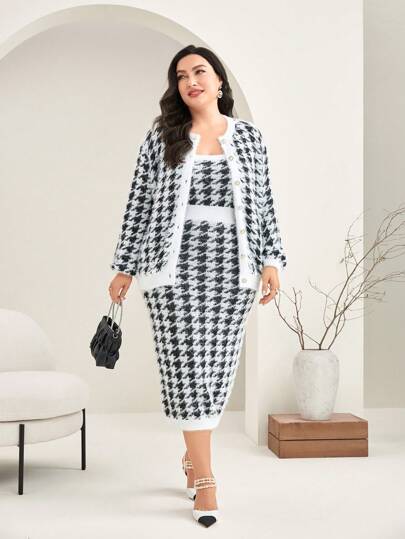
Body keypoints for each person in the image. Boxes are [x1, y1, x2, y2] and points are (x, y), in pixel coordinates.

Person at [108, 44, 287, 527]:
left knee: (216, 371)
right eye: (182, 75)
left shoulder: (249, 138)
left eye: (200, 71)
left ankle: (193, 454)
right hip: (172, 271)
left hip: (233, 270)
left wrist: (271, 260)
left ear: (219, 81)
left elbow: (265, 202)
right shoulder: (161, 137)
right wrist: (124, 267)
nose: (191, 81)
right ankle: (206, 478)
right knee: (186, 369)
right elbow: (138, 204)